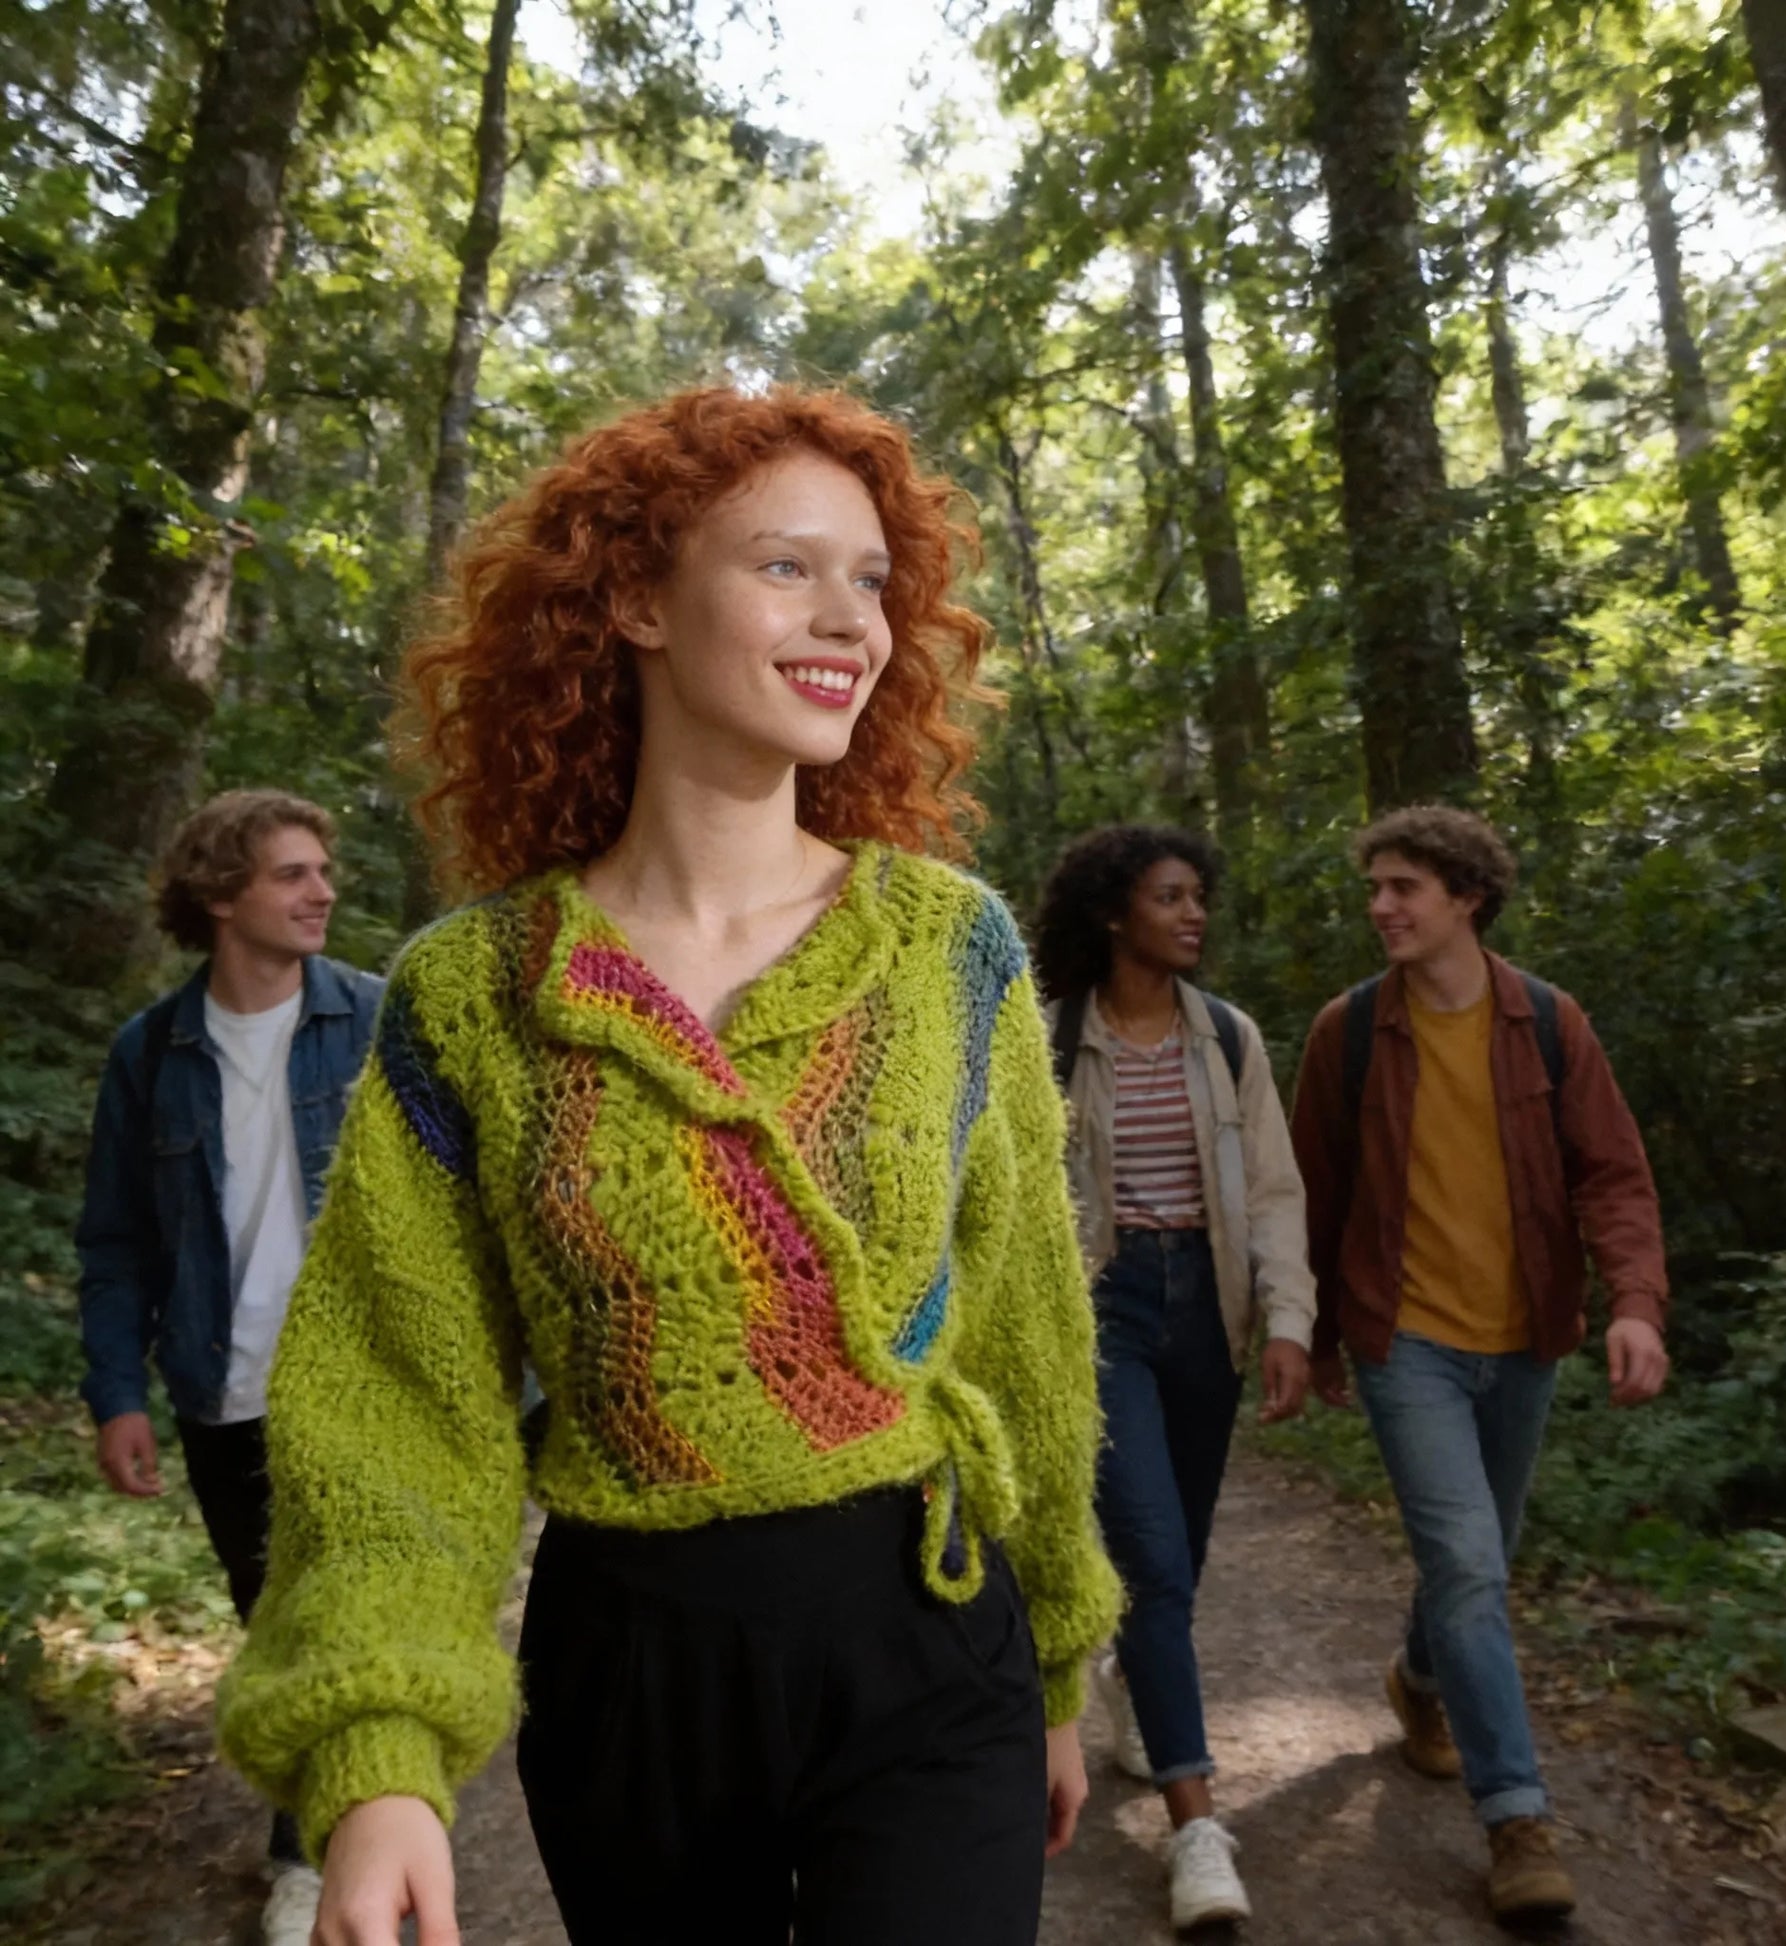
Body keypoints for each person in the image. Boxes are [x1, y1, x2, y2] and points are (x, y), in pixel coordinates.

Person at [216, 386, 1123, 1946]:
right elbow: (395, 1400)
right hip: (630, 1666)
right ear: (633, 597)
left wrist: (1054, 1647)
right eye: (787, 567)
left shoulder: (945, 948)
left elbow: (1023, 1317)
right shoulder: (471, 992)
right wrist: (376, 1759)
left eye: (872, 579)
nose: (852, 618)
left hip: (926, 1628)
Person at [1289, 805, 1670, 1927]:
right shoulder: (1347, 1032)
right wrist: (1305, 1336)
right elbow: (1313, 1194)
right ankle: (1516, 1818)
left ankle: (1418, 1680)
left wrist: (1633, 1303)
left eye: (1402, 886)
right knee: (1464, 1560)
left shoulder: (1547, 1023)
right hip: (1404, 1341)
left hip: (1524, 1338)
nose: (1380, 908)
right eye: (1374, 888)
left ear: (1466, 897)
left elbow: (1612, 1173)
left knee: (1477, 1557)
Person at [76, 789, 383, 1946]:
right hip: (225, 1390)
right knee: (279, 1623)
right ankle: (333, 1816)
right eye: (293, 874)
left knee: (349, 1609)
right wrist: (117, 1394)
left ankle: (323, 1849)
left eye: (324, 871)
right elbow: (113, 1244)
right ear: (219, 895)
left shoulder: (375, 1019)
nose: (323, 892)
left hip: (362, 1384)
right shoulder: (149, 1054)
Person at [1033, 824, 1314, 1932]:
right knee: (1150, 1556)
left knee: (1177, 1556)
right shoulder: (1052, 1039)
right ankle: (1196, 1827)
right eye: (1169, 896)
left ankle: (1135, 1685)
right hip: (1102, 1313)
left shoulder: (1228, 1039)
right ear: (1114, 912)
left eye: (1198, 895)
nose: (1192, 914)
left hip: (1209, 1308)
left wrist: (1287, 1317)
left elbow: (1279, 1191)